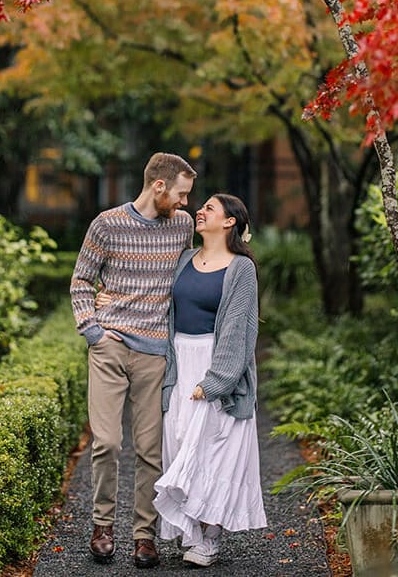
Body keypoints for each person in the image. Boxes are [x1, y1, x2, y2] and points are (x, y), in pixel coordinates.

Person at [72, 152, 196, 569]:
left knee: (150, 450)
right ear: (158, 186)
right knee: (106, 442)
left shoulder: (181, 227)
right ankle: (102, 525)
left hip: (155, 352)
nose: (184, 204)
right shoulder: (107, 224)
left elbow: (195, 271)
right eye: (180, 194)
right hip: (110, 348)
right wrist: (92, 329)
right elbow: (81, 281)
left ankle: (144, 535)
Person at [154, 193, 266, 567]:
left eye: (209, 208)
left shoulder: (241, 269)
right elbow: (160, 307)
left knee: (217, 451)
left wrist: (216, 381)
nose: (199, 211)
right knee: (180, 442)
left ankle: (211, 537)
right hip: (180, 363)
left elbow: (238, 331)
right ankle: (192, 533)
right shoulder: (184, 259)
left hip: (217, 367)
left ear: (229, 222)